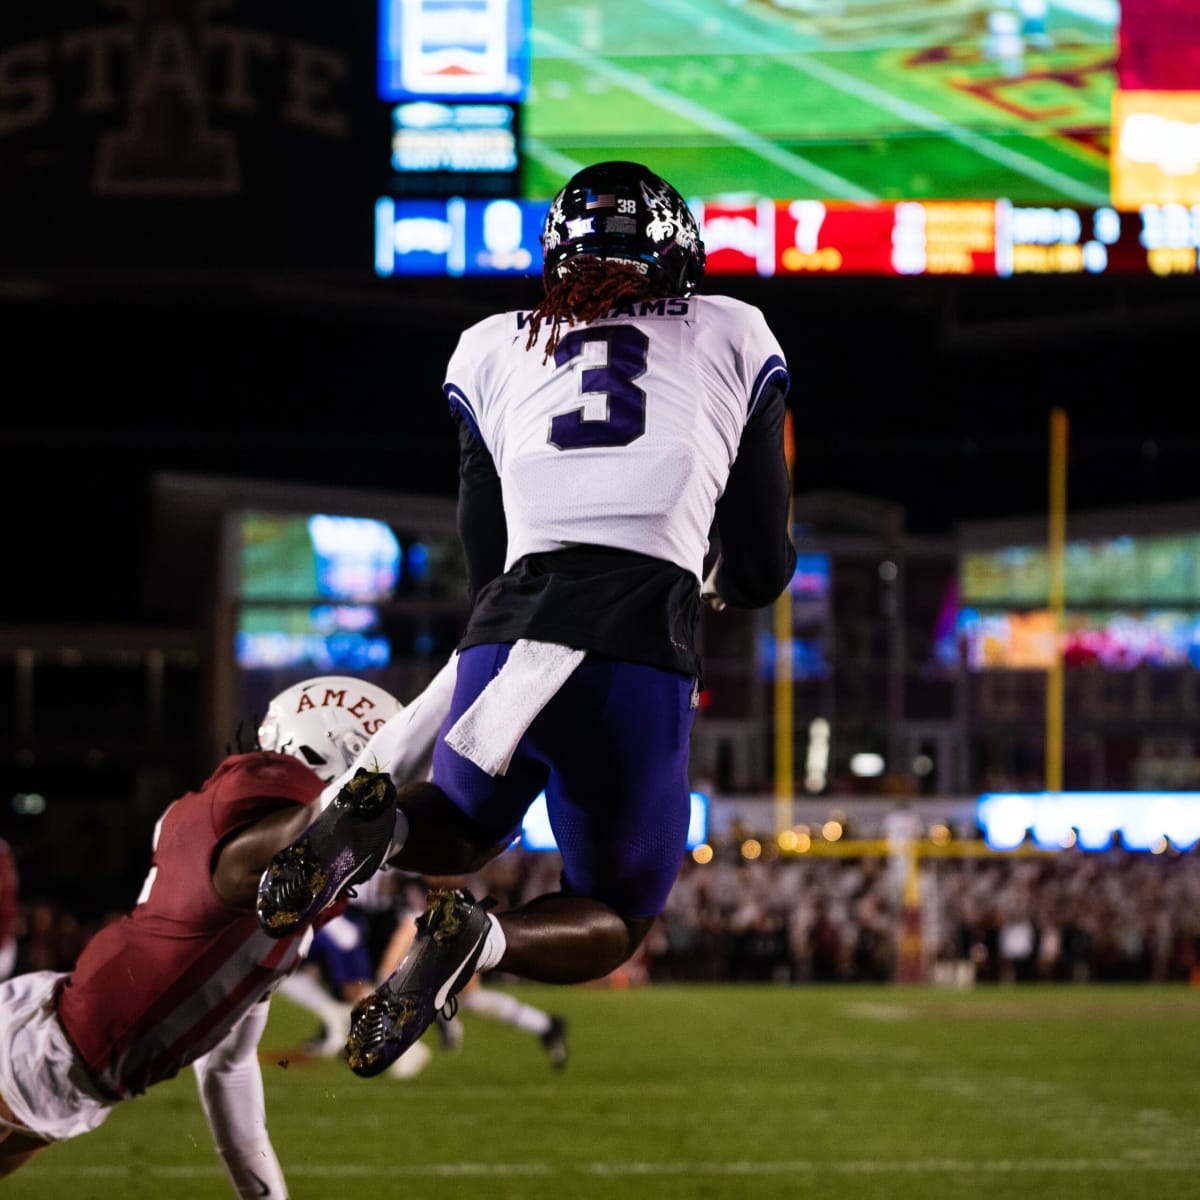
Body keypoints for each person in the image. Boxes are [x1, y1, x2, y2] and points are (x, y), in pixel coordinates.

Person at [256, 158, 797, 1079]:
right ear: (676, 256)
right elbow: (757, 561)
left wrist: (510, 639)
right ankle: (485, 941)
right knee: (617, 910)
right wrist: (723, 582)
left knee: (462, 829)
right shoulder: (733, 329)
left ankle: (373, 831)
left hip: (508, 624)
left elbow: (483, 538)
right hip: (636, 634)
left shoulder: (491, 344)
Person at [0, 673, 424, 1193]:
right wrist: (486, 648)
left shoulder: (288, 913)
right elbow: (346, 804)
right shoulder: (251, 851)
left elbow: (228, 1064)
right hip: (46, 1053)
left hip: (63, 1059)